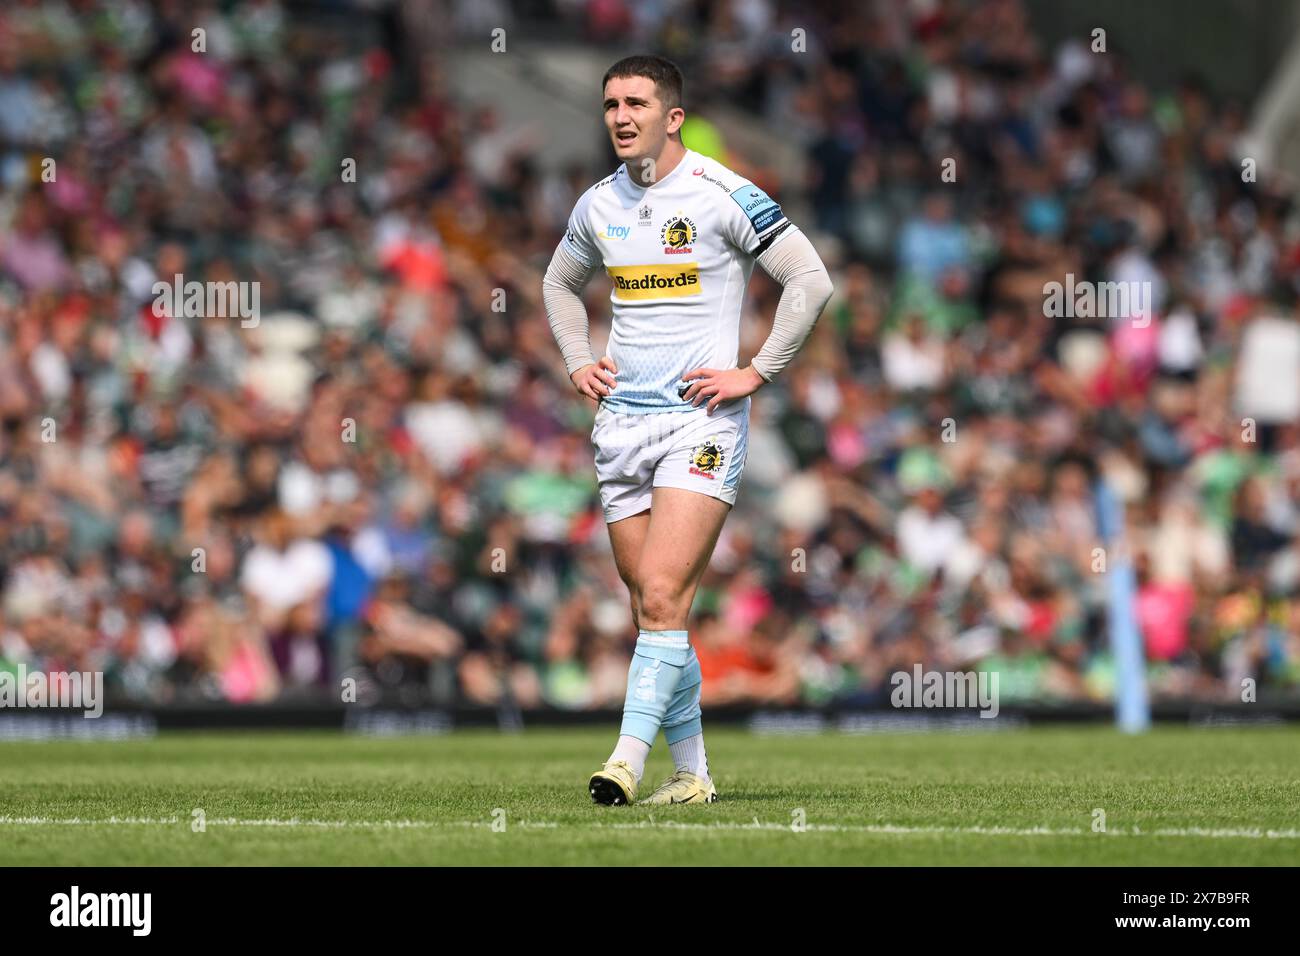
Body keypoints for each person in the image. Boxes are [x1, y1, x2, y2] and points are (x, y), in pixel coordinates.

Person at [542, 55, 834, 805]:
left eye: (636, 103)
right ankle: (695, 775)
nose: (620, 116)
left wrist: (757, 370)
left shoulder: (721, 193)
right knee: (653, 607)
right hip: (620, 427)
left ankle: (624, 761)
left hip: (699, 423)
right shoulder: (598, 204)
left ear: (673, 116)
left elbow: (810, 278)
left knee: (666, 592)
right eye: (610, 104)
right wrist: (578, 360)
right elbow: (558, 283)